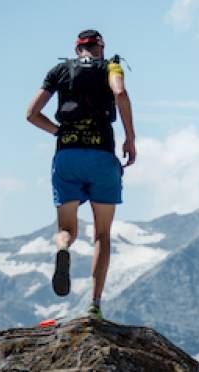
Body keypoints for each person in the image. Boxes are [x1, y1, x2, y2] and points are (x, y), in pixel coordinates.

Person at [25, 29, 136, 320]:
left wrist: (58, 131)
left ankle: (62, 248)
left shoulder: (60, 70)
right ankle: (95, 305)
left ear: (77, 50)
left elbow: (31, 114)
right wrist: (130, 138)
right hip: (101, 155)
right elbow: (120, 93)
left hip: (67, 156)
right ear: (100, 48)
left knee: (67, 230)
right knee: (102, 234)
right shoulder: (110, 66)